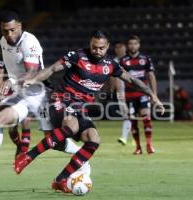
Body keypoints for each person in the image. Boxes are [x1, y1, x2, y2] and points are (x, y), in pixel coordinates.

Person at [13, 30, 164, 193]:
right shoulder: (77, 56)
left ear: (107, 47)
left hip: (79, 108)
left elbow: (132, 80)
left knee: (94, 140)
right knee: (72, 127)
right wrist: (33, 79)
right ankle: (27, 157)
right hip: (61, 99)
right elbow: (52, 69)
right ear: (90, 44)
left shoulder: (110, 65)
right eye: (94, 47)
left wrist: (153, 96)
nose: (97, 51)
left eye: (101, 48)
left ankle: (61, 179)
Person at [0, 11, 90, 181]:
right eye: (5, 31)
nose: (9, 34)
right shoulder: (3, 41)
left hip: (41, 95)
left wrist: (12, 80)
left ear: (20, 26)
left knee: (54, 141)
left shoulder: (29, 42)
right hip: (21, 95)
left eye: (12, 30)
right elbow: (2, 65)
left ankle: (82, 158)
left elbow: (33, 71)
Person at [119, 35, 158, 154]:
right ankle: (138, 147)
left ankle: (149, 144)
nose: (133, 46)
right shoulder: (123, 60)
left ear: (139, 45)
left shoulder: (145, 59)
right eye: (130, 44)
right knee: (133, 121)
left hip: (142, 94)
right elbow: (120, 78)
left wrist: (154, 94)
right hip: (129, 96)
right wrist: (121, 93)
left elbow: (151, 76)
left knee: (146, 118)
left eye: (135, 44)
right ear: (127, 46)